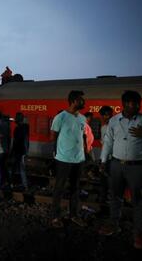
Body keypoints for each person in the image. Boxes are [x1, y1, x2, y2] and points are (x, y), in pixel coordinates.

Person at [99, 90, 142, 250]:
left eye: (137, 103)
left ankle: (138, 233)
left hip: (137, 166)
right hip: (116, 164)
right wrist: (103, 161)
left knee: (138, 200)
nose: (135, 106)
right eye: (131, 103)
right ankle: (114, 224)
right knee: (115, 197)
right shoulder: (114, 121)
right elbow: (108, 142)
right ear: (123, 104)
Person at [50, 90, 87, 228]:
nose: (84, 102)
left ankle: (73, 215)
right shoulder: (61, 117)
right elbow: (53, 136)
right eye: (81, 100)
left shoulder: (82, 118)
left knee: (75, 189)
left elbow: (82, 136)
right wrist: (56, 152)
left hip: (79, 159)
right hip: (63, 159)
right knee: (59, 188)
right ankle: (55, 217)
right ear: (73, 101)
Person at [98, 105, 114, 203]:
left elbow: (105, 144)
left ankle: (103, 199)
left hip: (106, 158)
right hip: (113, 157)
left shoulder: (105, 127)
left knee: (104, 181)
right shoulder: (115, 126)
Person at [11, 112, 29, 191]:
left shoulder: (17, 129)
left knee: (14, 168)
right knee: (22, 169)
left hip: (17, 151)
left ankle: (12, 183)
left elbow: (15, 142)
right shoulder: (26, 128)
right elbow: (26, 141)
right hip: (23, 151)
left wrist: (12, 151)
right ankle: (25, 185)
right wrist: (26, 151)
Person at [0, 112, 11, 188]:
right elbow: (9, 138)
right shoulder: (6, 125)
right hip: (5, 149)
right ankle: (5, 182)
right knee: (3, 166)